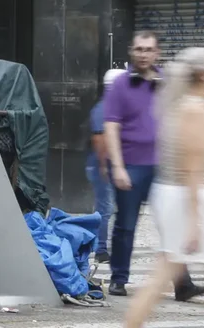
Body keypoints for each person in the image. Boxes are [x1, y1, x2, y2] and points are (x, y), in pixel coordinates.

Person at [125, 47, 204, 328]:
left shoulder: (188, 106)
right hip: (203, 203)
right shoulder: (195, 110)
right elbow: (194, 168)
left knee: (164, 274)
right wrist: (195, 222)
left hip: (189, 200)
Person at [103, 31, 204, 300]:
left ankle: (182, 284)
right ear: (131, 51)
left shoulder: (167, 83)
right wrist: (117, 166)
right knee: (126, 225)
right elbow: (111, 127)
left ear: (157, 53)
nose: (143, 54)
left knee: (171, 225)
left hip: (164, 168)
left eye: (148, 49)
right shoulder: (121, 85)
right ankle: (118, 280)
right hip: (132, 167)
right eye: (139, 49)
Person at [85, 68, 125, 264]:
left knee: (105, 207)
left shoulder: (110, 107)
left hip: (104, 164)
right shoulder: (105, 108)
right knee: (105, 208)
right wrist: (103, 166)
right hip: (101, 165)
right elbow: (100, 139)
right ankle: (100, 249)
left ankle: (97, 245)